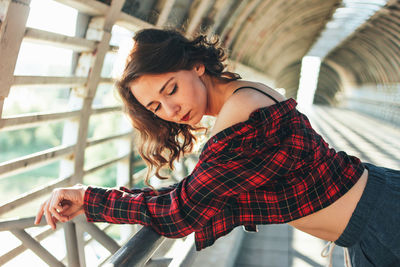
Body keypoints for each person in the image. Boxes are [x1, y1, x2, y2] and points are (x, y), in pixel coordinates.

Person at [35, 28, 400, 266]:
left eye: (170, 90)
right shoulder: (244, 94)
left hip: (384, 224)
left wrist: (90, 199)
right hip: (374, 217)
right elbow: (197, 192)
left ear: (195, 66)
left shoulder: (240, 115)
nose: (171, 110)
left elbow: (181, 213)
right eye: (155, 107)